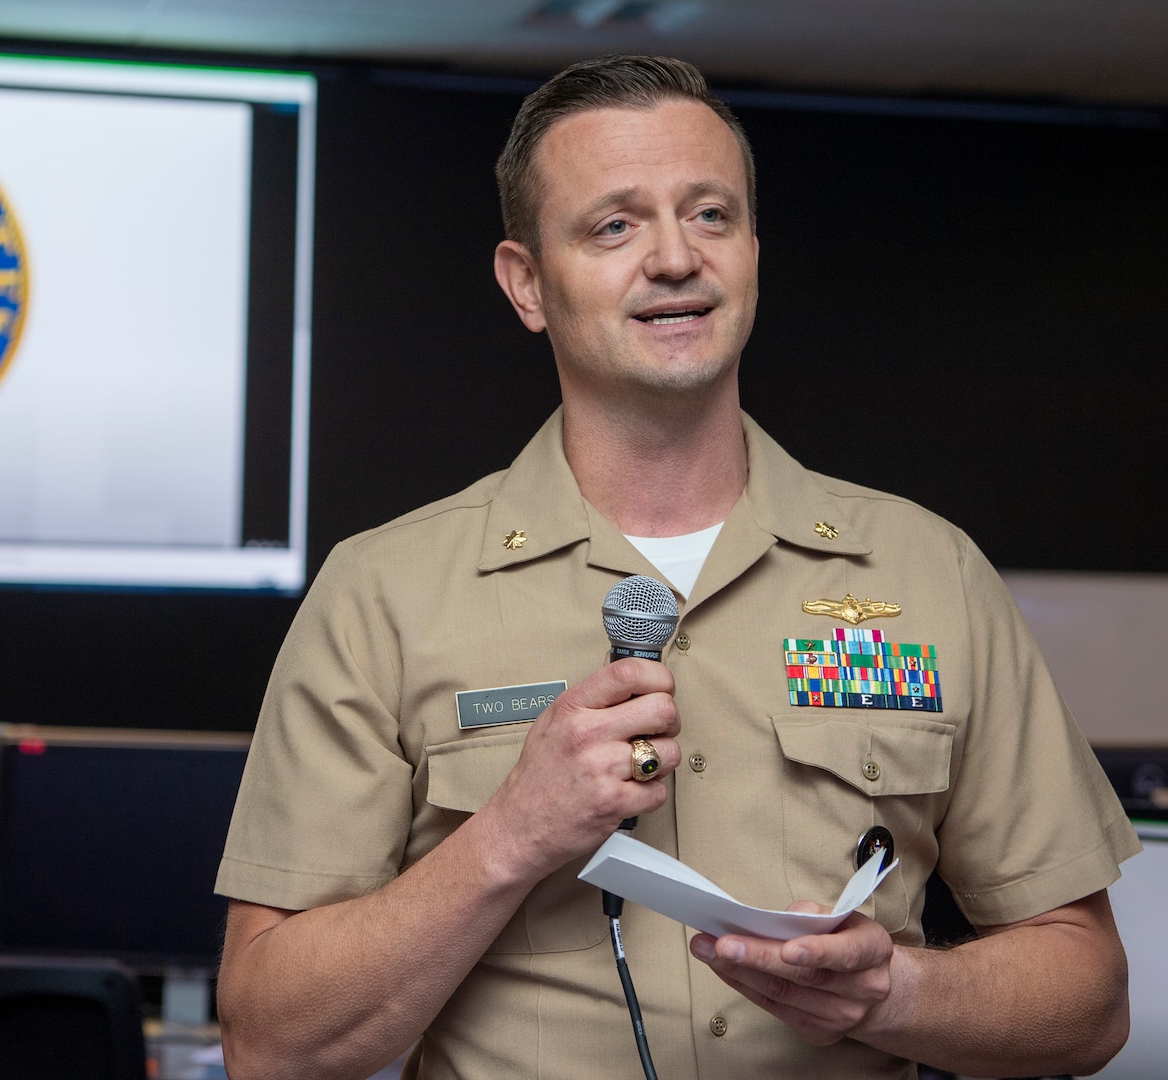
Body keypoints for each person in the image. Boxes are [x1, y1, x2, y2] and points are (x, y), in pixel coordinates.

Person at [213, 55, 1138, 1080]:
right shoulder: (381, 595)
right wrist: (510, 835)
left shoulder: (930, 572)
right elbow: (270, 1043)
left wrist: (896, 992)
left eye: (708, 215)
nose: (672, 259)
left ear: (751, 250)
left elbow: (1089, 1000)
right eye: (614, 226)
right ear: (527, 285)